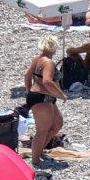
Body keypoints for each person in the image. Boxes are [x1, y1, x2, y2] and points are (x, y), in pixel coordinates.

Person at [22, 37, 66, 167]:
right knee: (42, 130)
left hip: (42, 96)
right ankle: (35, 160)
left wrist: (29, 90)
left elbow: (27, 75)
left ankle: (39, 150)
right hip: (41, 97)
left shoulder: (37, 59)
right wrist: (61, 95)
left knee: (57, 123)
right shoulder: (48, 62)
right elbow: (47, 81)